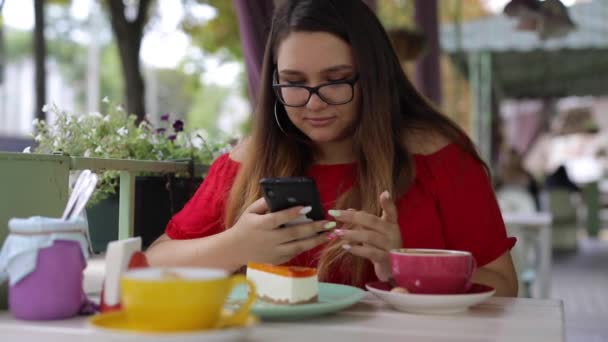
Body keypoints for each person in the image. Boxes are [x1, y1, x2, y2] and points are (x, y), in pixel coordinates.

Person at [146, 0, 518, 296]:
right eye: (294, 82)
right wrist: (236, 247)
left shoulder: (438, 156)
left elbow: (504, 287)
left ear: (372, 76)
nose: (313, 103)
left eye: (335, 80)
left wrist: (403, 264)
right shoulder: (248, 160)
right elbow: (152, 264)